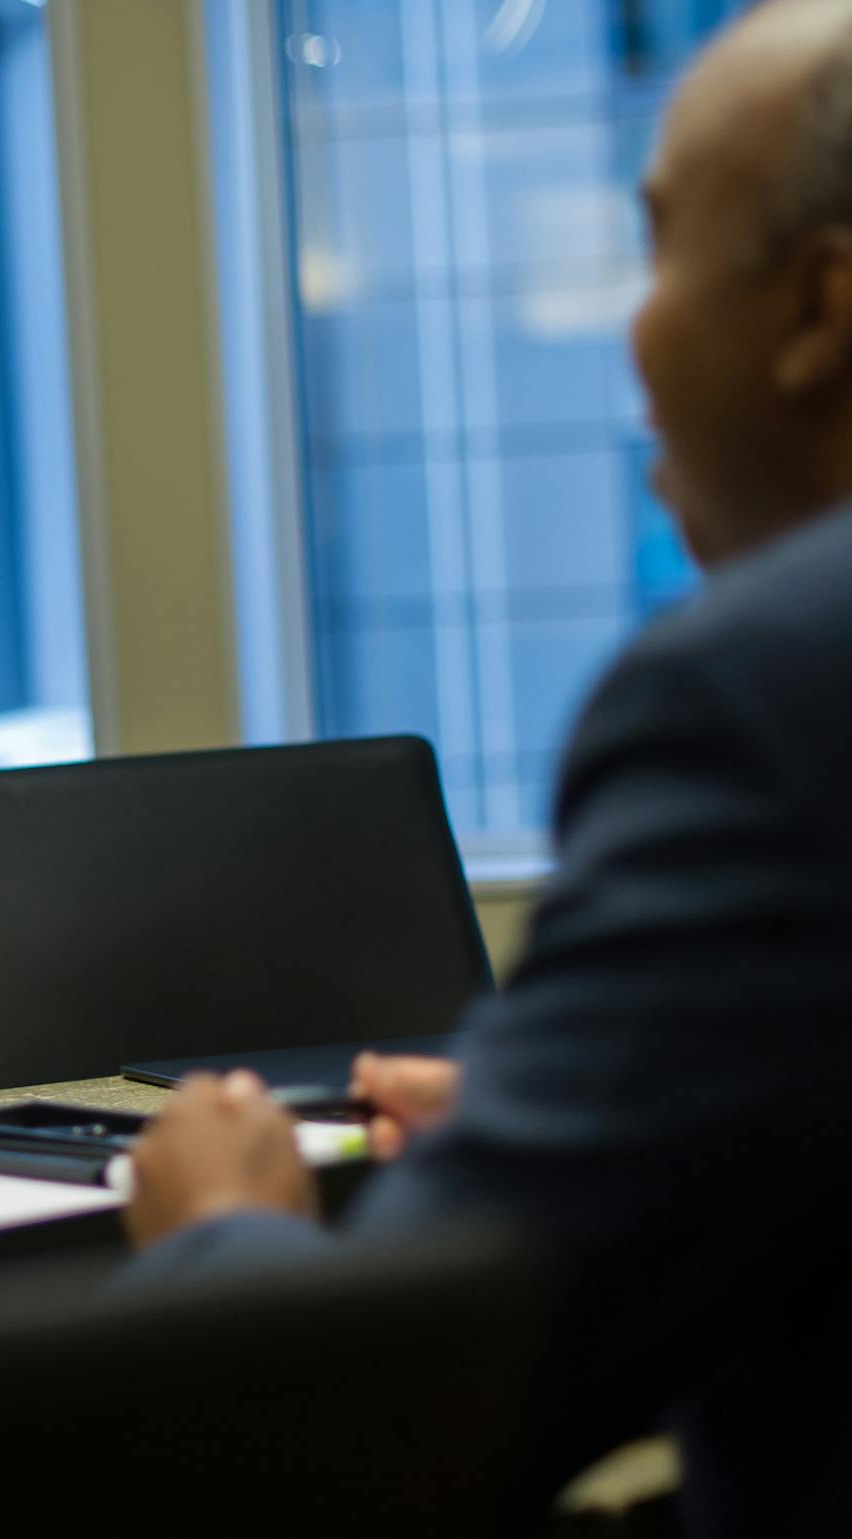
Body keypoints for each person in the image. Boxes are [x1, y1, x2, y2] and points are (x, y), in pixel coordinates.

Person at [125, 2, 852, 1532]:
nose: (626, 325)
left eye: (660, 252)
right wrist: (598, 1110)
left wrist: (222, 1231)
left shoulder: (764, 689)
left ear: (820, 310)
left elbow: (378, 1424)